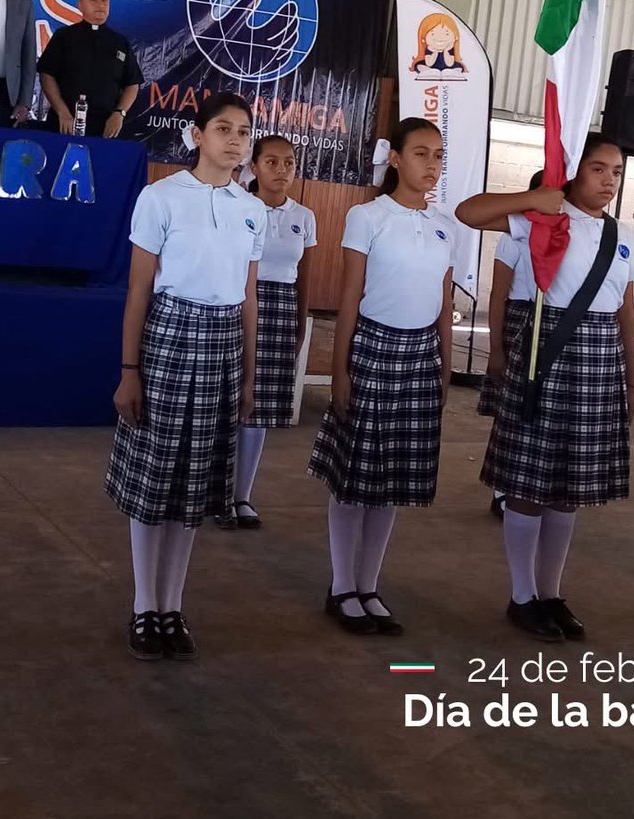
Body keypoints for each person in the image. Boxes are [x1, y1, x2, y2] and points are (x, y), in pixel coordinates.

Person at [456, 133, 634, 643]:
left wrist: (630, 375)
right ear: (572, 172)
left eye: (616, 171)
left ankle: (551, 592)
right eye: (598, 169)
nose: (608, 180)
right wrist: (534, 199)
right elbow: (468, 213)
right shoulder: (542, 220)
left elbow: (625, 309)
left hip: (598, 366)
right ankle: (521, 596)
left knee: (568, 492)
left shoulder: (622, 235)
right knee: (530, 487)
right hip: (545, 359)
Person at [106, 92, 266, 661]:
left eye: (244, 132)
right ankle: (144, 605)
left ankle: (173, 606)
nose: (235, 141)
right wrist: (130, 372)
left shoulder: (253, 209)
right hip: (169, 340)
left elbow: (248, 297)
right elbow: (138, 292)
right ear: (197, 136)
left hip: (224, 346)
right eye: (223, 129)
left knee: (193, 486)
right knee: (156, 482)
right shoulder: (161, 197)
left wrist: (249, 375)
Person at [308, 117, 454, 636]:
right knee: (355, 476)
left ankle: (369, 585)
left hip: (420, 357)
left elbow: (444, 301)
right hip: (372, 347)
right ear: (395, 158)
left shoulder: (446, 226)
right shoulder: (368, 217)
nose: (431, 164)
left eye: (438, 155)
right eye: (420, 153)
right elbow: (349, 297)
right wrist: (339, 369)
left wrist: (444, 365)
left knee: (390, 479)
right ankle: (342, 585)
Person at [223, 134, 316, 530]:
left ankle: (242, 494)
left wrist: (299, 321)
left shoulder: (304, 217)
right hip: (238, 301)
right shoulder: (238, 207)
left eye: (289, 163)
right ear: (254, 167)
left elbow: (304, 277)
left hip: (280, 309)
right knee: (227, 397)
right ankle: (216, 491)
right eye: (272, 162)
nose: (281, 170)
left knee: (256, 406)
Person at [479, 169, 541, 519]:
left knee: (536, 415)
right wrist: (497, 349)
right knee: (509, 416)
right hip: (517, 321)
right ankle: (502, 489)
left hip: (549, 323)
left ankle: (530, 487)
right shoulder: (515, 237)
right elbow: (499, 293)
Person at [37, 0, 142, 138]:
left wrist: (119, 113)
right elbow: (46, 75)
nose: (100, 5)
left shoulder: (120, 42)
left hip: (106, 129)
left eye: (104, 0)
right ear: (80, 4)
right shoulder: (64, 37)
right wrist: (62, 111)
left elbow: (132, 84)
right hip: (64, 124)